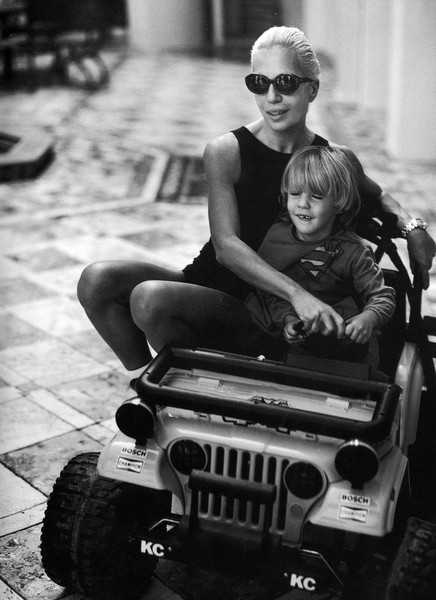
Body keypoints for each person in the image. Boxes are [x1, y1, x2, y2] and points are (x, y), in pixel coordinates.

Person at [77, 26, 435, 369]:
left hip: (265, 312)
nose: (272, 98)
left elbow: (379, 196)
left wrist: (414, 228)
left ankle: (186, 382)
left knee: (149, 299)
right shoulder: (226, 151)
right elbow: (226, 246)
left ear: (312, 89)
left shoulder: (332, 161)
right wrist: (298, 294)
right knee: (97, 281)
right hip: (220, 285)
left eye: (286, 83)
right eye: (260, 84)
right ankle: (152, 383)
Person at [244, 145, 395, 366]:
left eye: (316, 196)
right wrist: (288, 320)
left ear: (339, 202)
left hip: (339, 349)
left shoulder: (354, 251)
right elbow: (268, 292)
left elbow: (383, 296)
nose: (303, 204)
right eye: (295, 194)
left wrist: (368, 318)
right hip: (281, 344)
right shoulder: (275, 237)